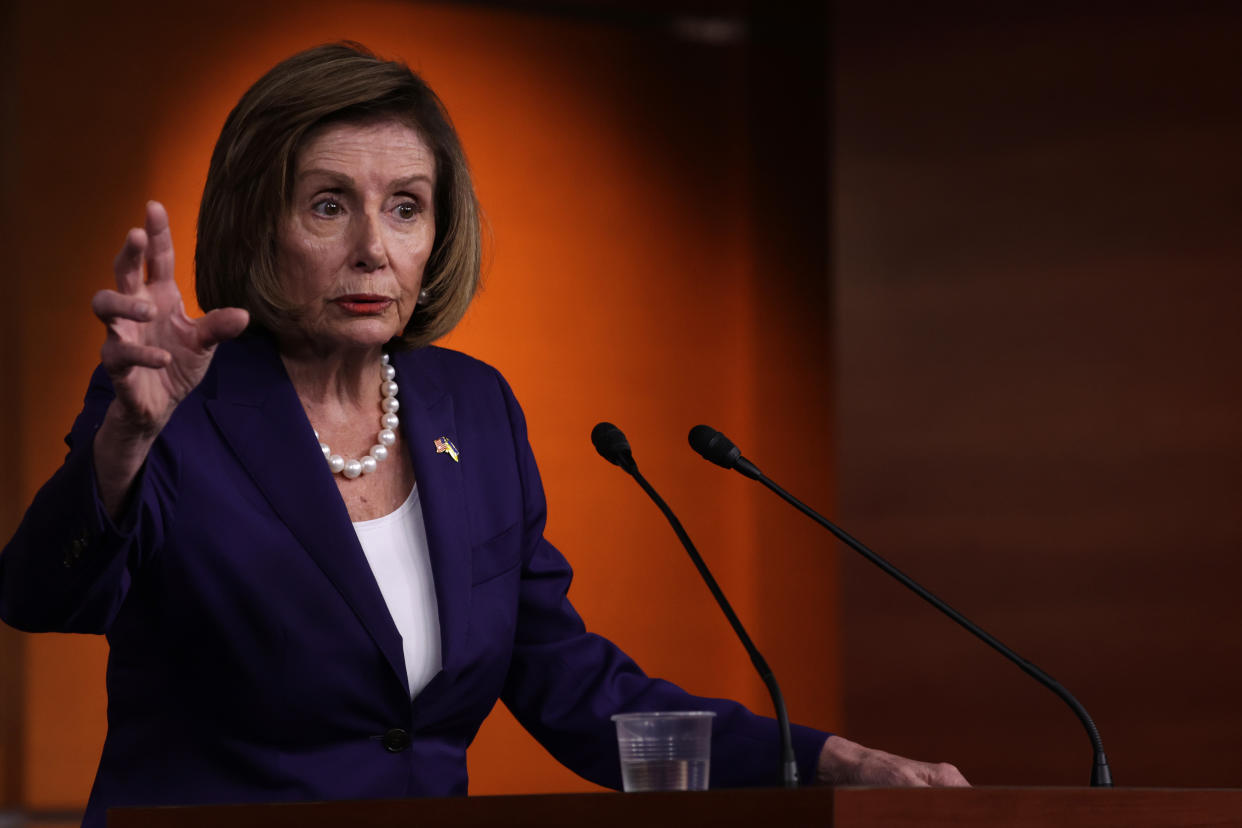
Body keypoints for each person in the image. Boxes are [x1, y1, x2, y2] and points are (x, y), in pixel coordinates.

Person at [0, 42, 965, 827]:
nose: (374, 247)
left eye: (406, 207)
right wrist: (125, 442)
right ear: (259, 223)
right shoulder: (177, 400)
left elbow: (576, 688)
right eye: (329, 205)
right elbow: (43, 593)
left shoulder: (473, 407)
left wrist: (824, 759)